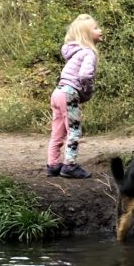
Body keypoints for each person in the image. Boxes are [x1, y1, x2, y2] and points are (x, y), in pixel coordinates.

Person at [47, 14, 102, 179]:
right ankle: (69, 166)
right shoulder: (88, 53)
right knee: (74, 131)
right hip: (69, 93)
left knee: (57, 131)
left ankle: (53, 165)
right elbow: (85, 76)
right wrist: (88, 90)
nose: (100, 30)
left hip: (58, 92)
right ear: (86, 35)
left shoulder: (75, 54)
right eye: (96, 28)